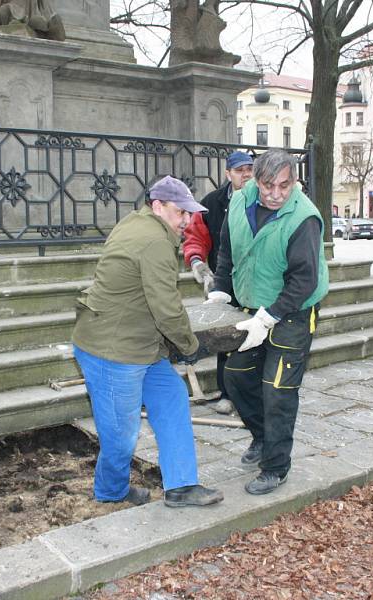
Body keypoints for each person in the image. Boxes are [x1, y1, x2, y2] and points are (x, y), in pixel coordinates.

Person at [71, 176, 224, 509]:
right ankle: (111, 491)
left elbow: (152, 301)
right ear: (158, 206)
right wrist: (189, 346)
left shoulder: (138, 223)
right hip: (113, 352)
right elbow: (167, 308)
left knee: (171, 400)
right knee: (121, 435)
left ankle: (181, 486)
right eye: (180, 212)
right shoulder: (153, 240)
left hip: (141, 346)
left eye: (189, 213)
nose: (187, 220)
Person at [207, 149, 329, 495]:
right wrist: (221, 289)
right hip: (252, 307)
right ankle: (263, 437)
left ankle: (276, 467)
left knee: (277, 390)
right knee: (237, 377)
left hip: (294, 311)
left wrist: (270, 317)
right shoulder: (240, 203)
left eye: (284, 186)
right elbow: (228, 251)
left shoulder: (303, 218)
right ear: (254, 179)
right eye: (268, 185)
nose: (276, 194)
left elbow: (304, 281)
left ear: (294, 182)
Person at [183, 150, 253, 415]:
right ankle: (227, 393)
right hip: (223, 283)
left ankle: (251, 394)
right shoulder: (211, 203)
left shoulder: (264, 200)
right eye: (239, 170)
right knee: (226, 340)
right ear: (228, 174)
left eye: (249, 169)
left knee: (255, 338)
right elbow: (195, 237)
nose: (245, 175)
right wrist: (198, 263)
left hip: (254, 283)